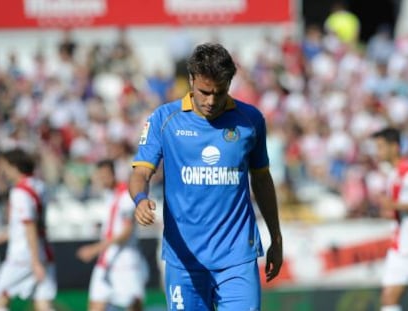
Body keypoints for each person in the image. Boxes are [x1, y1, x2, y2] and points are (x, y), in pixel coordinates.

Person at [129, 42, 283, 310]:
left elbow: (262, 179)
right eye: (204, 92)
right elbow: (141, 171)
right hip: (184, 258)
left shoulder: (250, 120)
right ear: (190, 81)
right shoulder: (164, 119)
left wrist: (276, 238)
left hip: (237, 257)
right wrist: (140, 198)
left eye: (220, 92)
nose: (211, 101)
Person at [77, 159, 147, 311]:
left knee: (133, 304)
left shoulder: (126, 196)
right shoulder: (108, 195)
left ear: (113, 174)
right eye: (99, 176)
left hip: (124, 259)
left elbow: (125, 233)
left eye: (105, 175)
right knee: (96, 304)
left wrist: (95, 249)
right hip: (106, 260)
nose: (102, 179)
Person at [0, 148, 56, 311]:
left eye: (5, 167)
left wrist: (34, 261)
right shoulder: (39, 185)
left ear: (14, 166)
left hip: (24, 255)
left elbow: (29, 224)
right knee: (43, 303)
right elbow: (27, 225)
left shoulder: (19, 192)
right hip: (44, 249)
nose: (3, 172)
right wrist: (2, 237)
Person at [372, 127, 408, 311]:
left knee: (389, 298)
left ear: (394, 147)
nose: (377, 152)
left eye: (380, 147)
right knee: (388, 298)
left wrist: (392, 205)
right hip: (401, 244)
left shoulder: (406, 171)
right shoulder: (393, 174)